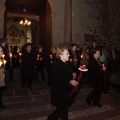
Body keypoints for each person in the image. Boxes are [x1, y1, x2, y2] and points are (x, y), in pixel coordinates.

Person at [47, 46, 79, 120]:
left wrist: (72, 76)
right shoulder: (57, 65)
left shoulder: (65, 63)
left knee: (61, 110)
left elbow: (64, 75)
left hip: (64, 92)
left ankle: (51, 118)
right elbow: (57, 80)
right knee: (64, 112)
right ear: (61, 55)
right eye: (67, 53)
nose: (69, 55)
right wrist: (70, 81)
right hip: (59, 93)